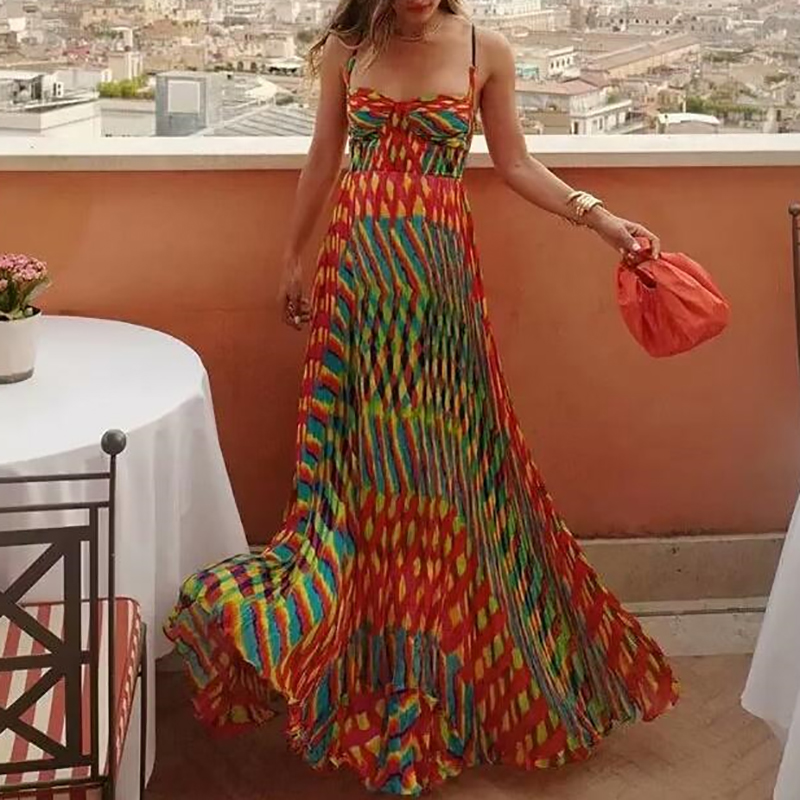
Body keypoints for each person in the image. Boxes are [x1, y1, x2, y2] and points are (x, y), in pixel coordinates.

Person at [165, 0, 679, 794]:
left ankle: (432, 637)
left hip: (438, 280)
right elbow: (323, 156)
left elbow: (515, 164)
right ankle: (365, 636)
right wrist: (294, 258)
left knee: (439, 458)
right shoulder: (350, 47)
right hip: (360, 270)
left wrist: (602, 220)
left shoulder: (484, 48)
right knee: (363, 459)